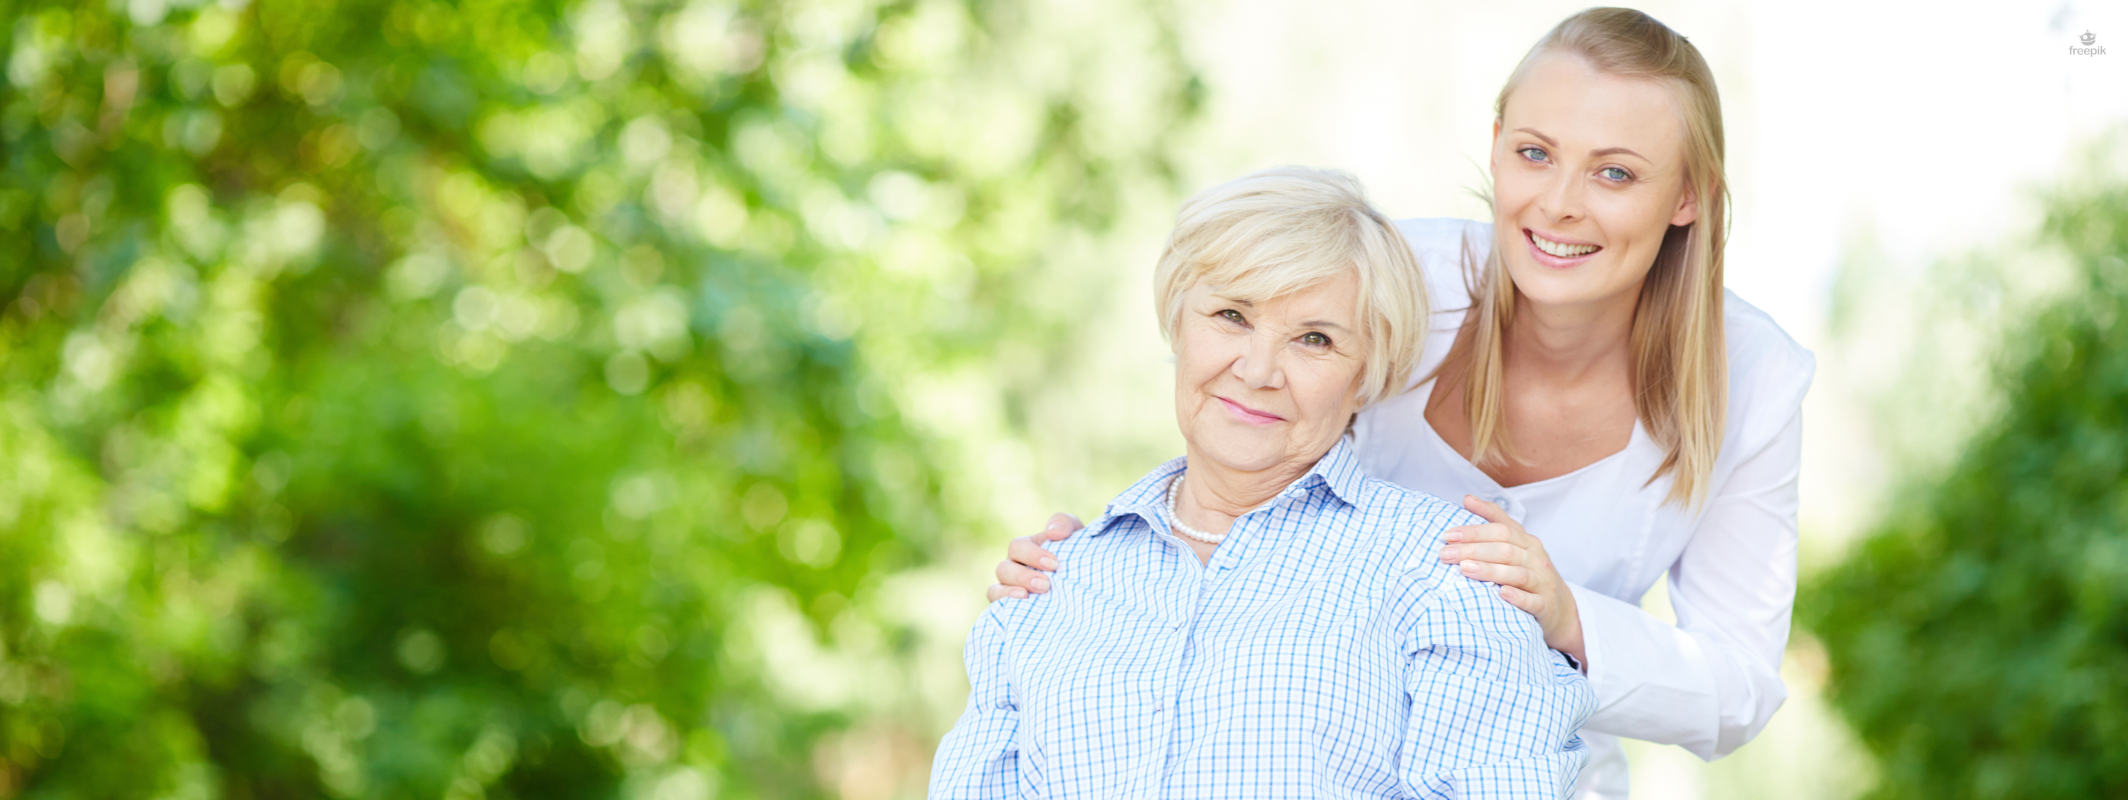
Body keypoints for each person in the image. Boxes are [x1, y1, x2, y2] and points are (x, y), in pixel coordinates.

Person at [984, 9, 1814, 798]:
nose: (1560, 202)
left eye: (1615, 172)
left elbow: (1737, 687)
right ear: (1493, 148)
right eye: (1534, 153)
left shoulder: (1753, 378)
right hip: (1315, 740)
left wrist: (1563, 615)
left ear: (1688, 196)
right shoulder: (1390, 283)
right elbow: (1249, 414)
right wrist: (1102, 569)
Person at [931, 167, 1593, 798]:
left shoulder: (1445, 572)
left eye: (1314, 339)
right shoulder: (1051, 585)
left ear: (1366, 374)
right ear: (1177, 322)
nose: (1257, 370)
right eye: (1231, 317)